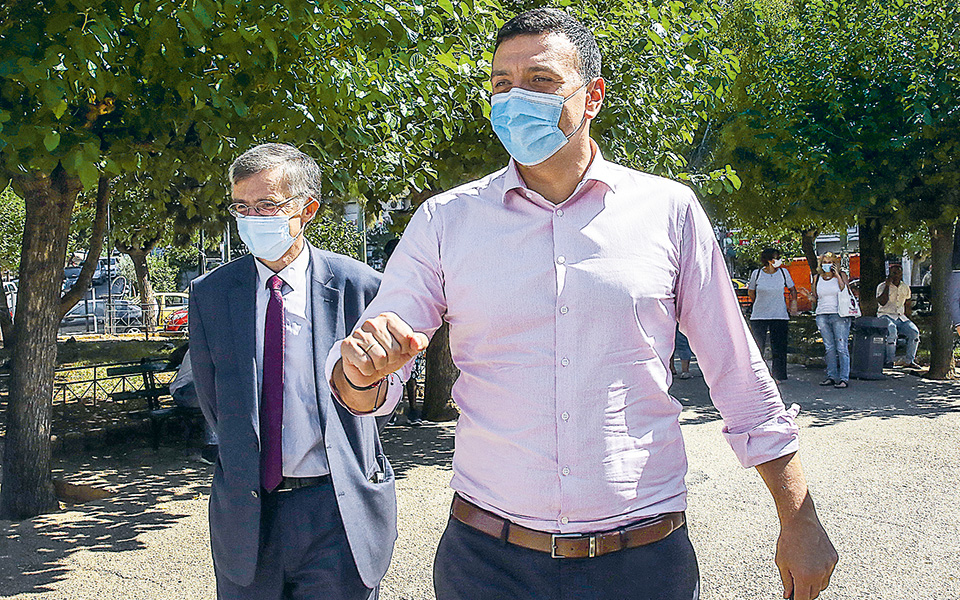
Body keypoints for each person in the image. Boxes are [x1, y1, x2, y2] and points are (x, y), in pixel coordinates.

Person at [325, 10, 836, 600]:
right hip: (489, 563)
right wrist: (360, 371)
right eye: (501, 83)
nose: (515, 99)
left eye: (540, 81)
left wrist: (798, 517)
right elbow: (371, 369)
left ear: (592, 96)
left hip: (642, 561)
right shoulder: (445, 221)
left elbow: (736, 370)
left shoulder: (667, 211)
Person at [189, 143, 407, 600]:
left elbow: (380, 402)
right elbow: (213, 400)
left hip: (337, 511)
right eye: (242, 207)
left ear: (307, 210)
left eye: (267, 205)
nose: (252, 218)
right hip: (250, 515)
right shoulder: (211, 294)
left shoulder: (360, 287)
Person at [747, 248, 798, 381]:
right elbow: (751, 291)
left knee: (779, 347)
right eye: (777, 258)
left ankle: (778, 376)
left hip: (779, 314)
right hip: (759, 315)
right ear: (769, 260)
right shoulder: (757, 274)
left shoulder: (783, 273)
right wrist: (758, 302)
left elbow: (792, 289)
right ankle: (757, 376)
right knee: (758, 346)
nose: (779, 260)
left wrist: (793, 303)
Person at [167, 345, 219, 464]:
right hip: (183, 391)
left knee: (218, 392)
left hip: (199, 389)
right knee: (213, 393)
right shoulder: (202, 346)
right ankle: (212, 448)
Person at [810, 252, 851, 388]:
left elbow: (844, 289)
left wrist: (837, 275)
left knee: (841, 347)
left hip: (839, 314)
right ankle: (831, 376)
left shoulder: (842, 275)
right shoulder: (817, 278)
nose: (827, 265)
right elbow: (815, 296)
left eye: (830, 262)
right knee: (829, 347)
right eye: (825, 262)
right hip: (822, 313)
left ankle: (844, 378)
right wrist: (809, 296)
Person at [877, 263, 921, 369]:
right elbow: (882, 302)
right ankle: (890, 361)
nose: (895, 276)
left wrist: (909, 319)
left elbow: (908, 304)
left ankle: (909, 360)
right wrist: (887, 285)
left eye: (898, 273)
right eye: (893, 273)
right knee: (892, 330)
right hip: (885, 315)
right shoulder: (882, 286)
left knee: (914, 332)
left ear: (901, 274)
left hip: (901, 316)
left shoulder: (905, 287)